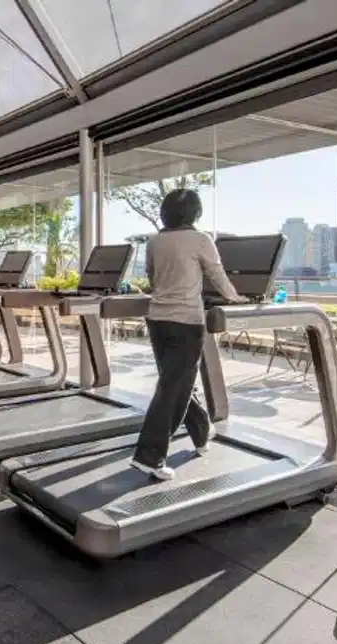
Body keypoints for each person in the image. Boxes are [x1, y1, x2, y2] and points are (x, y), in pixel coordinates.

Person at [130, 189, 242, 481]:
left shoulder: (155, 241)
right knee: (173, 387)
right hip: (186, 322)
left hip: (157, 320)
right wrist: (235, 298)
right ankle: (149, 456)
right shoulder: (201, 239)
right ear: (196, 213)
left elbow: (153, 278)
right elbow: (217, 275)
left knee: (176, 382)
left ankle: (202, 432)